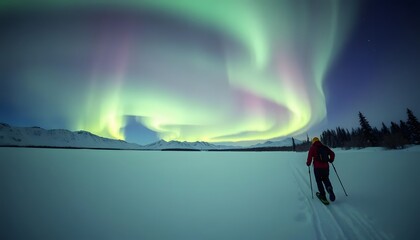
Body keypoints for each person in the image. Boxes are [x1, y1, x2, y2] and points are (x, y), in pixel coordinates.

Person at [306, 137, 336, 202]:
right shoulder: (324, 147)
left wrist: (308, 163)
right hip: (326, 167)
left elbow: (309, 158)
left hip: (317, 168)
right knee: (326, 179)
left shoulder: (312, 148)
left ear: (313, 142)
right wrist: (331, 160)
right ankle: (329, 189)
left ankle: (323, 195)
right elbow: (332, 154)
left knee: (319, 181)